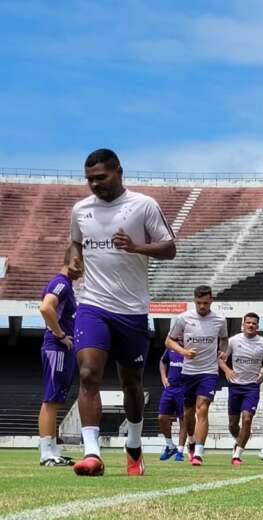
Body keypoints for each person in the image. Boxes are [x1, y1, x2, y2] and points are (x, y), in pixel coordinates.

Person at [70, 149, 176, 476]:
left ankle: (133, 444)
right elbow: (75, 243)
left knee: (131, 383)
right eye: (89, 179)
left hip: (131, 310)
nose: (94, 185)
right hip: (92, 304)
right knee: (88, 374)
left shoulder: (143, 205)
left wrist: (135, 247)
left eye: (100, 178)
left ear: (118, 172)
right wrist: (72, 260)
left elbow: (169, 247)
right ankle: (92, 454)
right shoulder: (80, 209)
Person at [165, 285, 228, 466]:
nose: (202, 306)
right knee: (188, 413)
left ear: (211, 301)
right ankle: (191, 442)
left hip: (208, 372)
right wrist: (183, 351)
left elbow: (224, 339)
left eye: (206, 303)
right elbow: (168, 340)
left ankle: (199, 452)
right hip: (188, 372)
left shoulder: (220, 320)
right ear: (194, 301)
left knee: (203, 408)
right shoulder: (183, 318)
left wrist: (223, 351)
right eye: (199, 303)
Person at [37, 248, 83, 466]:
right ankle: (46, 453)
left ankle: (53, 450)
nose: (84, 271)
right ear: (74, 262)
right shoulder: (61, 283)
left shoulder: (67, 285)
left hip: (61, 349)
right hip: (56, 347)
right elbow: (46, 308)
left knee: (55, 400)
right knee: (50, 400)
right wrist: (61, 334)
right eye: (82, 265)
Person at [220, 312, 263, 466]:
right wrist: (227, 370)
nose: (251, 325)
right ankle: (238, 442)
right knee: (232, 424)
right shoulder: (233, 341)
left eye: (254, 323)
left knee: (247, 419)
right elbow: (220, 359)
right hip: (234, 386)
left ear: (258, 326)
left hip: (252, 386)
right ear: (242, 324)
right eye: (248, 322)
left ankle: (237, 455)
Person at [157, 345, 187, 462]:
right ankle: (170, 446)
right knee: (162, 417)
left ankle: (180, 451)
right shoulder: (170, 348)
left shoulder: (190, 347)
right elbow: (162, 362)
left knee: (183, 420)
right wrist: (164, 377)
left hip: (184, 388)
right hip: (170, 388)